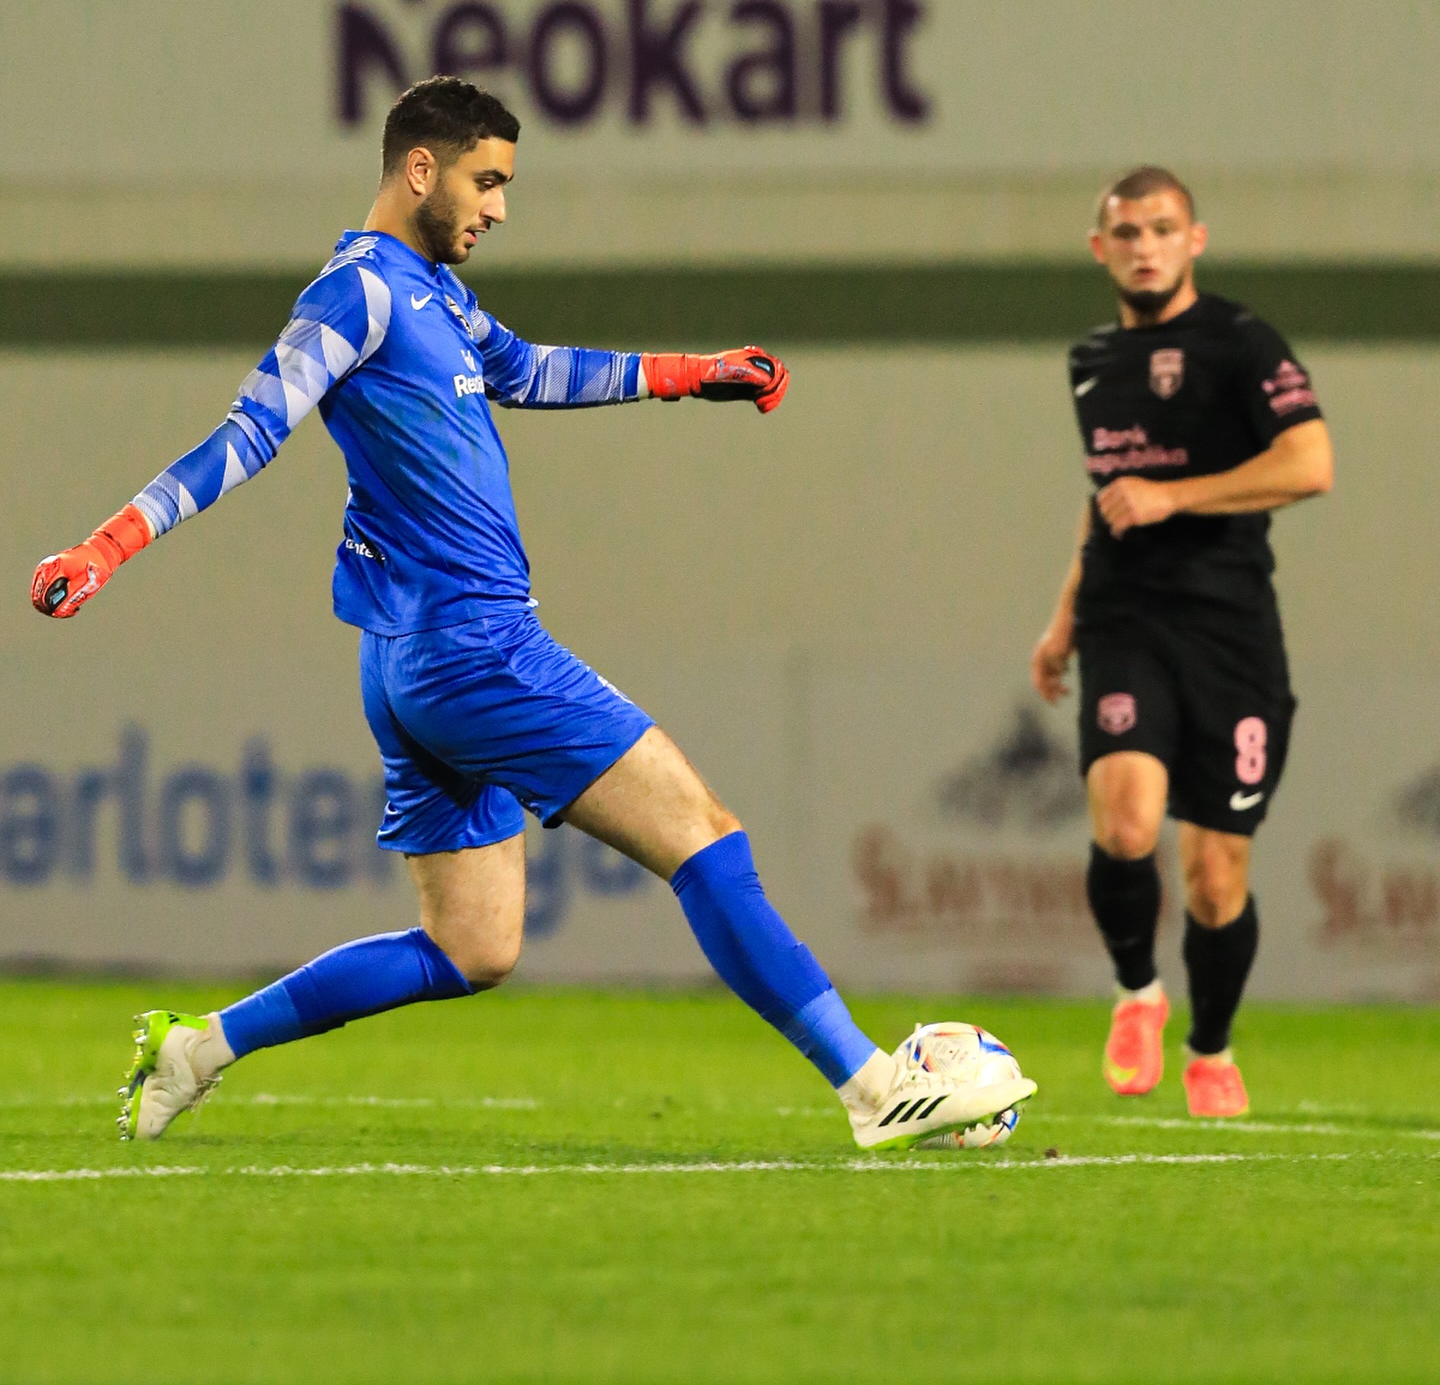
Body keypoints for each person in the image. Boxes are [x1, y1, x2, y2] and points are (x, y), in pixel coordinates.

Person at [33, 76, 1036, 1154]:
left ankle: (198, 1047)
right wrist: (110, 543)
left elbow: (530, 369)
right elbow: (251, 428)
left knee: (473, 945)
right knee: (704, 840)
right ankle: (873, 1086)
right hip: (475, 644)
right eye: (488, 180)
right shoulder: (358, 292)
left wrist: (688, 373)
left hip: (409, 656)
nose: (501, 208)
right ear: (421, 169)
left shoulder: (437, 295)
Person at [1030, 167, 1332, 1116]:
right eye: (1127, 233)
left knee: (1214, 875)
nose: (1146, 246)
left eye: (1163, 229)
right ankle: (1136, 995)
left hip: (1231, 632)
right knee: (1123, 821)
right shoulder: (1091, 360)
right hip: (1126, 619)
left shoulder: (1241, 343)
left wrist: (1177, 495)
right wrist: (1065, 617)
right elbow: (1107, 497)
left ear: (1194, 240)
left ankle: (1211, 1046)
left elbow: (1311, 462)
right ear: (1101, 249)